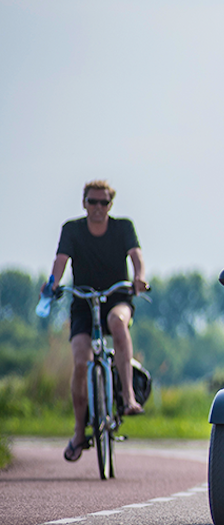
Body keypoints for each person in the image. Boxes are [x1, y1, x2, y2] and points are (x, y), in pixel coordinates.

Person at [47, 180, 149, 462]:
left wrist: (139, 276)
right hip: (83, 303)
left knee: (118, 323)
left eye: (104, 203)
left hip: (117, 297)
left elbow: (136, 255)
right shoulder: (72, 229)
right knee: (81, 361)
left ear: (110, 205)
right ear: (84, 203)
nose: (98, 208)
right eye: (93, 202)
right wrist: (53, 283)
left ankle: (128, 397)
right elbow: (61, 260)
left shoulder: (123, 227)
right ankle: (80, 433)